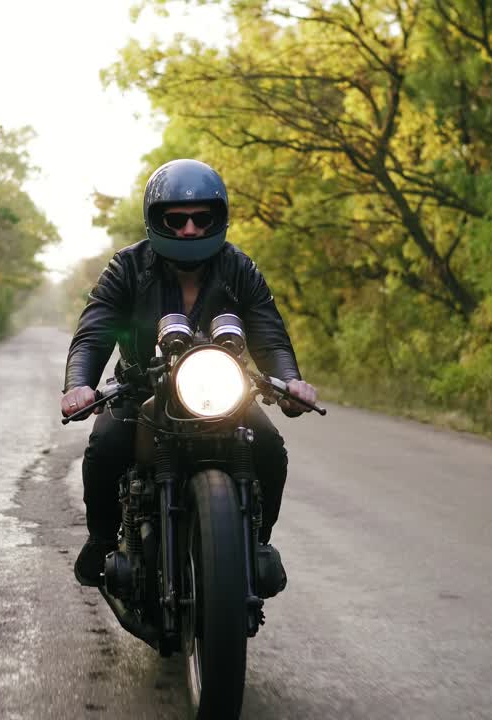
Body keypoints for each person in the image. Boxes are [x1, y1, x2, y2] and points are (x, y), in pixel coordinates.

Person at [61, 158, 318, 587]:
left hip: (220, 394)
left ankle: (255, 545)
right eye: (176, 219)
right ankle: (101, 539)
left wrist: (289, 381)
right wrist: (79, 385)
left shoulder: (240, 268)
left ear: (219, 218)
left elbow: (269, 335)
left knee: (270, 448)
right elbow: (94, 332)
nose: (190, 229)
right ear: (156, 219)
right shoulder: (127, 267)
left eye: (202, 218)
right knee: (104, 446)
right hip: (142, 390)